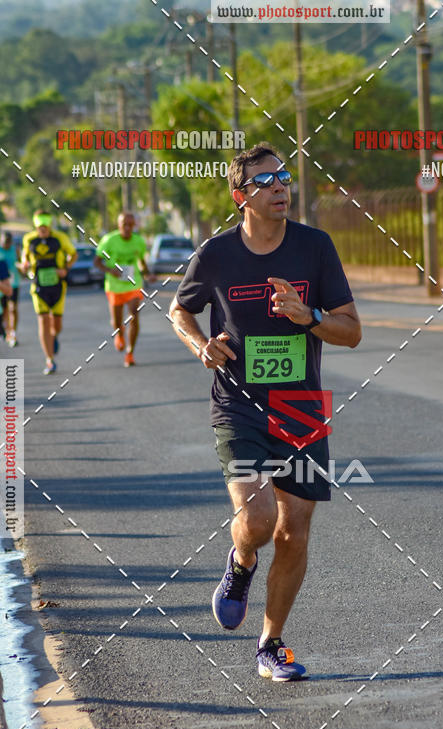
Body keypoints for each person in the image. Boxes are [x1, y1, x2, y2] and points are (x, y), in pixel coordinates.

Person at [169, 142, 361, 682]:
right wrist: (200, 345)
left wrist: (310, 315)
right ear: (241, 197)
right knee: (256, 521)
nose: (281, 187)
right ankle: (241, 561)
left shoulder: (315, 248)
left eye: (284, 177)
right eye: (266, 181)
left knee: (294, 530)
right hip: (239, 403)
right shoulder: (216, 254)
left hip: (300, 406)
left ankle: (271, 645)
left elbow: (351, 331)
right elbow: (179, 308)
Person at [94, 212, 156, 367]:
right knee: (117, 321)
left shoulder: (139, 241)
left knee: (134, 314)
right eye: (124, 225)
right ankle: (119, 335)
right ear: (119, 225)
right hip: (114, 286)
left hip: (133, 284)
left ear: (134, 225)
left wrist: (147, 275)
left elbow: (141, 261)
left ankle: (130, 353)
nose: (127, 228)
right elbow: (97, 262)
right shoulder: (109, 240)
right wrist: (111, 271)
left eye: (130, 225)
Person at [21, 211, 77, 374]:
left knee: (56, 324)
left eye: (45, 227)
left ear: (49, 225)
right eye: (40, 227)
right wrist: (25, 265)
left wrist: (65, 269)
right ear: (36, 226)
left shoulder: (60, 238)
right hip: (38, 286)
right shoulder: (29, 239)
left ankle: (54, 336)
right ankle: (49, 360)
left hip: (58, 286)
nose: (42, 230)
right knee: (44, 319)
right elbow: (25, 256)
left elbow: (73, 254)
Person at [0, 232, 20, 346]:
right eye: (4, 242)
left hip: (14, 283)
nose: (6, 244)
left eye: (8, 242)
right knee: (5, 310)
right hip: (2, 285)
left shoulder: (15, 250)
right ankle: (7, 331)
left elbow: (20, 263)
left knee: (13, 308)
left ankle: (13, 332)